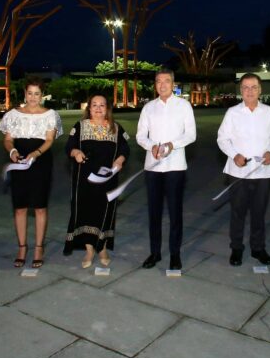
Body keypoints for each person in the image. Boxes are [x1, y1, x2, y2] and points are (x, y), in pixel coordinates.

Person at [216, 73, 270, 267]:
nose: (249, 91)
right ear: (241, 91)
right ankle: (236, 248)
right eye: (245, 87)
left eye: (254, 87)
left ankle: (258, 248)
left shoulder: (269, 112)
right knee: (237, 212)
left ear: (260, 90)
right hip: (238, 173)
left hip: (263, 172)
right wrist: (234, 154)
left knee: (259, 212)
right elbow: (222, 139)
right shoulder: (232, 113)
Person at [136, 68, 196, 271]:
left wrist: (172, 145)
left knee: (174, 212)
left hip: (175, 166)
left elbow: (191, 135)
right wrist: (151, 146)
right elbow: (140, 136)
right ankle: (155, 253)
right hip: (152, 167)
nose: (162, 85)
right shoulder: (148, 108)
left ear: (173, 84)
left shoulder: (184, 105)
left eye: (167, 81)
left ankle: (175, 254)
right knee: (154, 212)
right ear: (155, 84)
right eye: (158, 81)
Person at [0, 78, 62, 268]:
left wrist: (36, 153)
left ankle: (38, 248)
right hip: (19, 162)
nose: (33, 97)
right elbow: (8, 140)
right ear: (24, 93)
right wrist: (12, 151)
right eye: (30, 93)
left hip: (40, 161)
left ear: (42, 95)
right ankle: (22, 247)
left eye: (37, 93)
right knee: (20, 206)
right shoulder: (12, 115)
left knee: (40, 206)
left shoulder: (50, 115)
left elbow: (49, 140)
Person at [64, 94, 130, 268]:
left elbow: (125, 148)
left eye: (102, 105)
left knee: (105, 211)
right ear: (89, 108)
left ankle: (102, 248)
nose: (98, 108)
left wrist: (120, 160)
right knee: (86, 211)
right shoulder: (80, 126)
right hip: (84, 180)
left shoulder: (116, 128)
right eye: (94, 105)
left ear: (107, 108)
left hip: (108, 179)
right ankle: (89, 250)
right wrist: (76, 153)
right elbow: (69, 146)